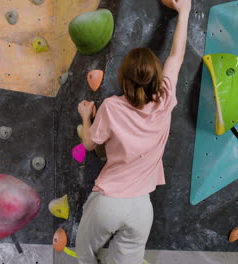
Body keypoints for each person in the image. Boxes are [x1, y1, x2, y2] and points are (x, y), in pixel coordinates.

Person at [76, 0, 191, 263]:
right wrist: (184, 11)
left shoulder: (111, 107)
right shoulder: (165, 99)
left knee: (84, 258)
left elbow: (90, 144)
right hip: (141, 208)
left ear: (123, 79)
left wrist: (85, 116)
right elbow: (177, 56)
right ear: (156, 77)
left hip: (108, 201)